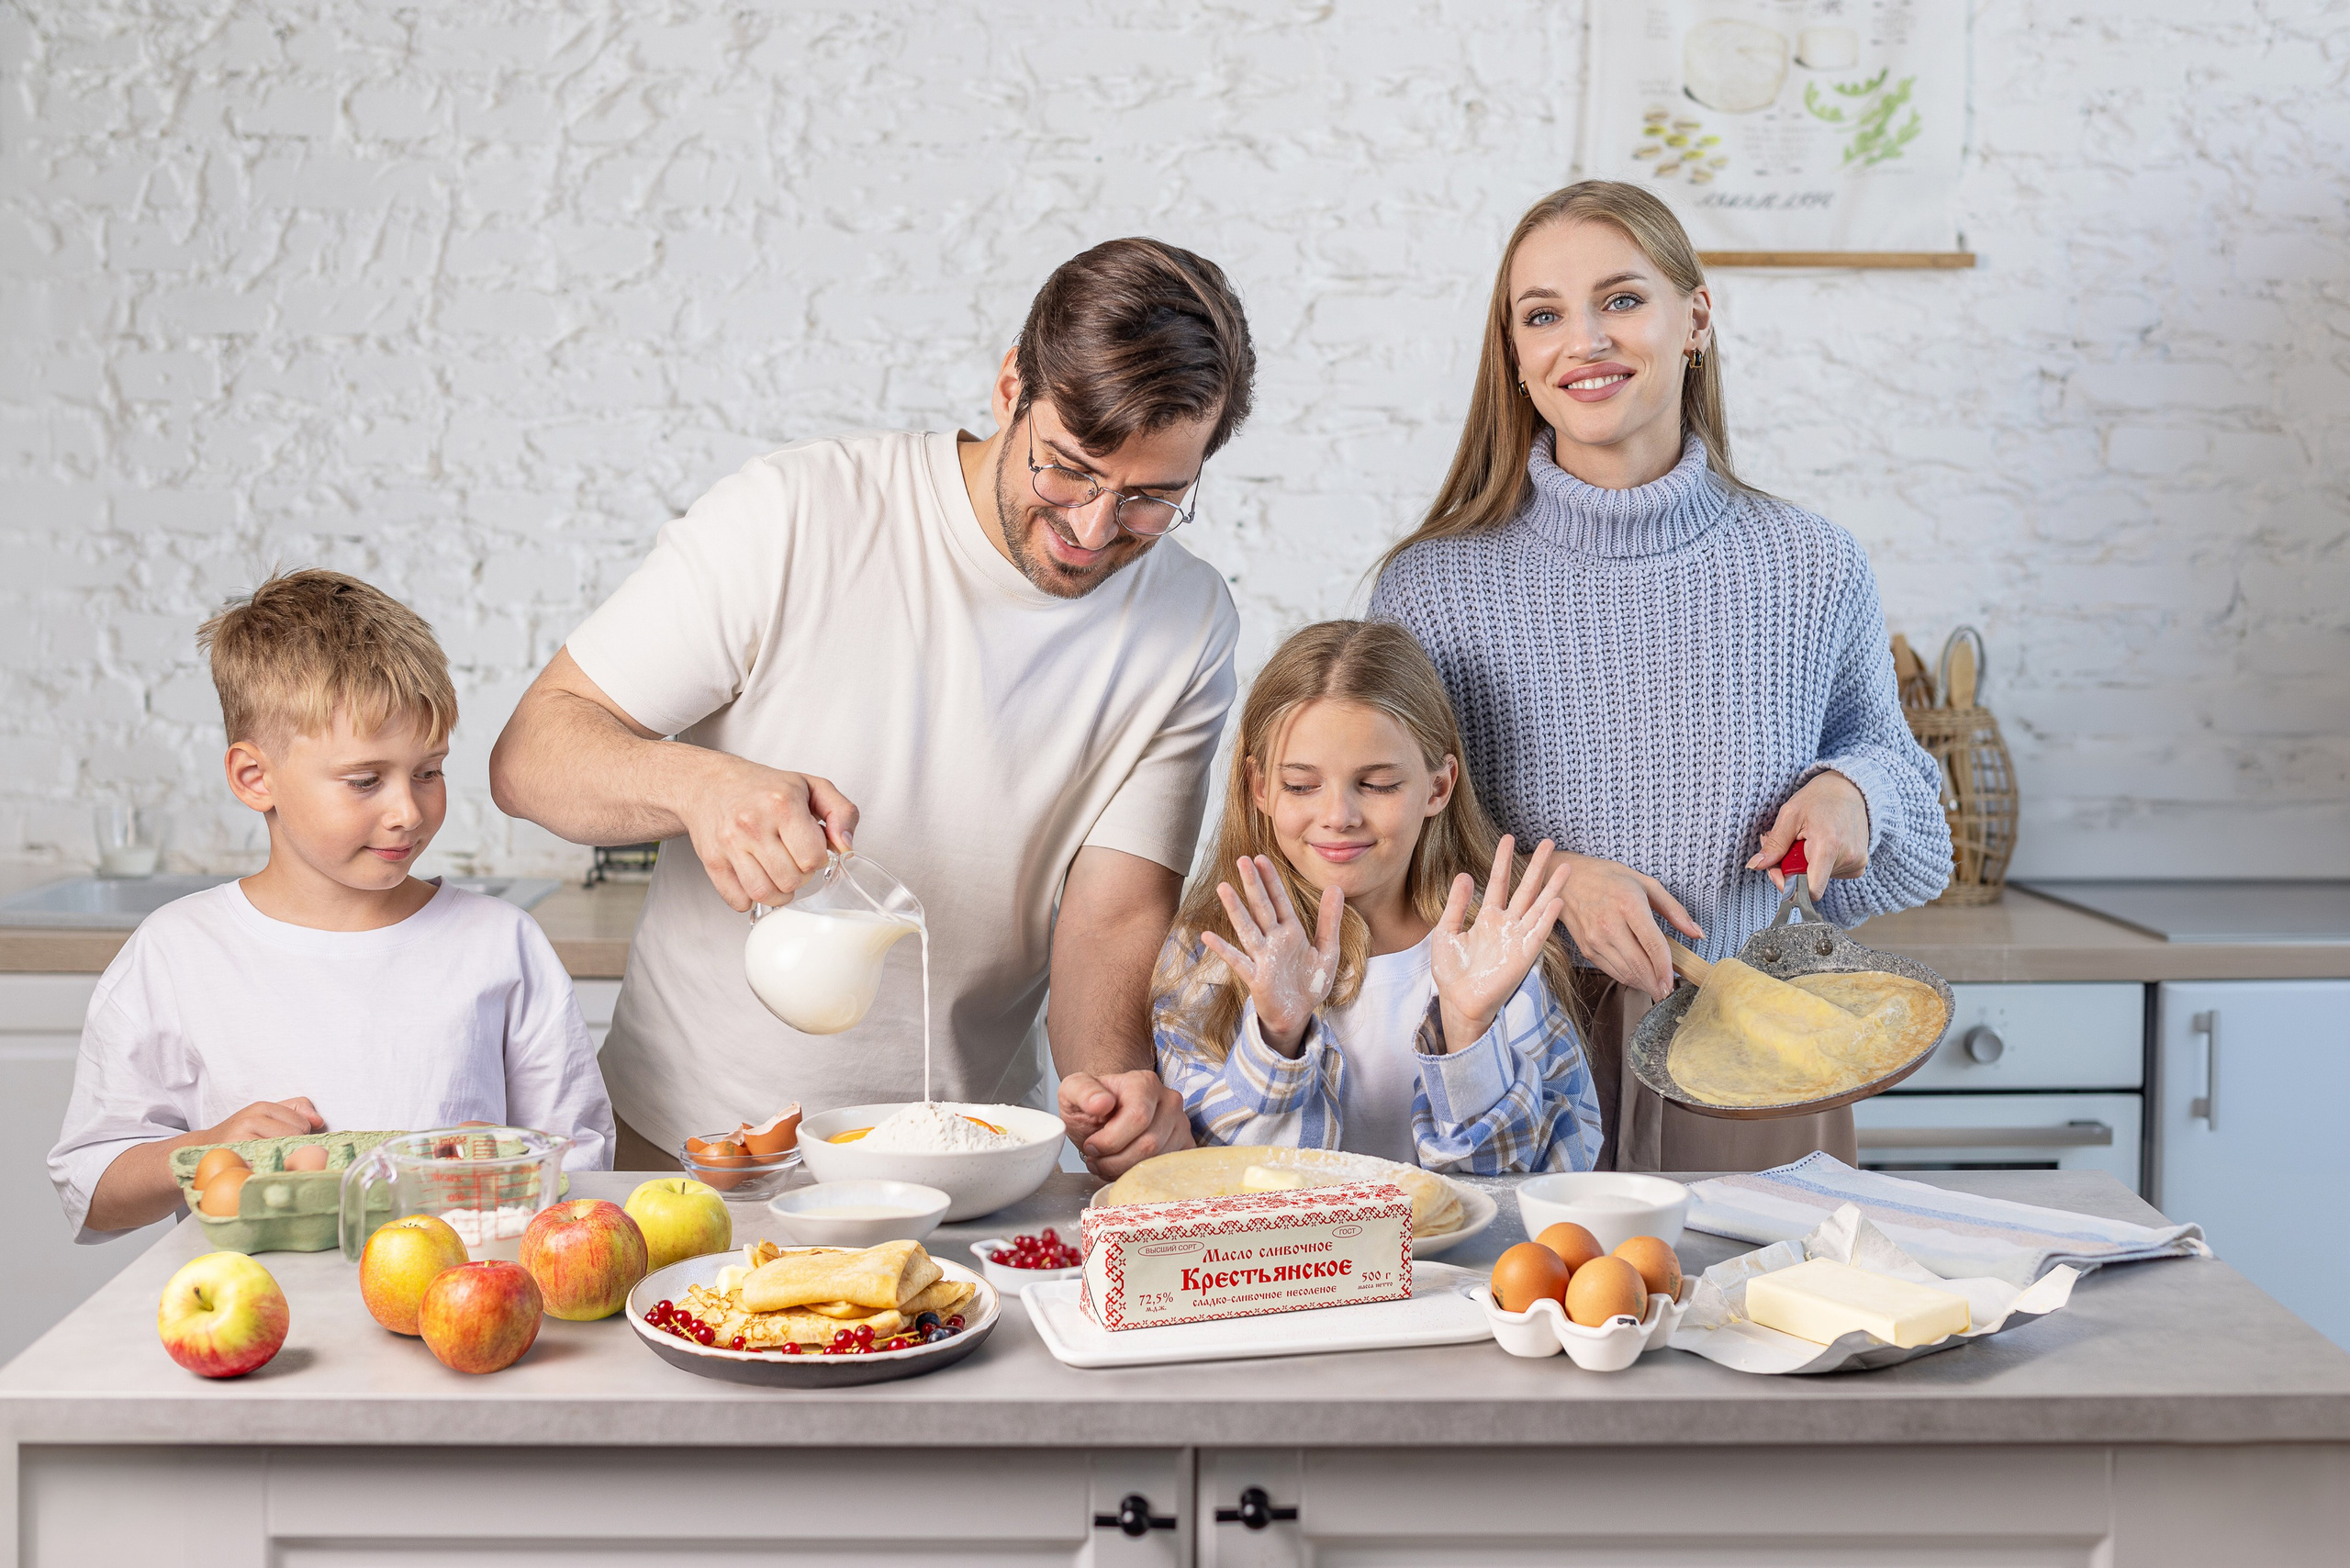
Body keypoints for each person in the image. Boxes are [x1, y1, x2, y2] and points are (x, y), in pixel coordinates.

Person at [489, 240, 1256, 1177]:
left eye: (1150, 499)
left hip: (955, 1166)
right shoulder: (799, 515)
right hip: (692, 1150)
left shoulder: (1187, 622)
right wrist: (695, 785)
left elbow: (1111, 917)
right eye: (1067, 468)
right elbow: (529, 754)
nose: (1093, 531)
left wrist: (1112, 1094)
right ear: (1011, 386)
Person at [1370, 182, 1952, 1171]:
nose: (1583, 340)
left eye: (1621, 300)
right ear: (1514, 358)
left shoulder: (1810, 564)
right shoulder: (1433, 587)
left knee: (1780, 1321)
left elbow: (1905, 793)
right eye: (1542, 315)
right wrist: (1555, 887)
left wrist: (1854, 792)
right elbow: (1389, 852)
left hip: (1757, 1054)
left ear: (1695, 319)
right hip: (1509, 1064)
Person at [49, 571, 614, 1241]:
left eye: (429, 771)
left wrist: (517, 1161)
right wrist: (206, 1150)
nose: (408, 810)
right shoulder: (179, 952)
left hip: (458, 1317)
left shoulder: (501, 944)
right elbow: (89, 1188)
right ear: (255, 778)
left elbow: (585, 1159)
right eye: (366, 780)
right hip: (258, 1321)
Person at [1152, 621, 1604, 1173]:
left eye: (1380, 784)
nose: (1338, 817)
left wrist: (1467, 1032)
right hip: (1290, 1261)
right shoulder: (1209, 954)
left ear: (1439, 787)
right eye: (1301, 785)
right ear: (1260, 787)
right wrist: (1276, 1037)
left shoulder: (1498, 952)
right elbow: (1210, 1182)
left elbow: (1556, 1174)